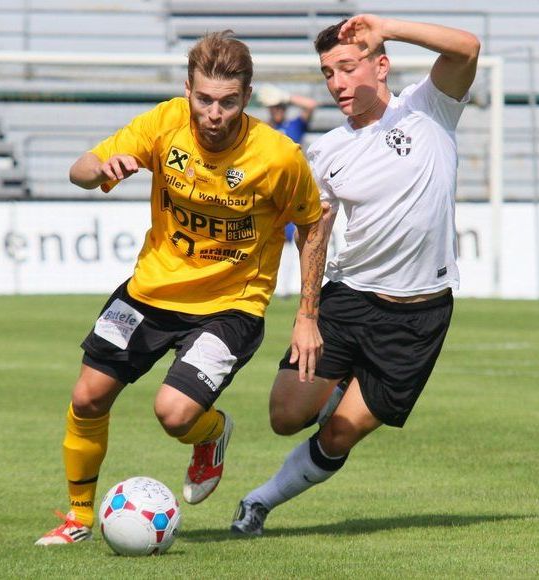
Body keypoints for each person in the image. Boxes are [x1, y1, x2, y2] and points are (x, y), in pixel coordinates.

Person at [35, 30, 330, 546]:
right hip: (149, 292)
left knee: (173, 414)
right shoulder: (164, 123)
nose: (214, 113)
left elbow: (313, 224)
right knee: (87, 398)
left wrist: (307, 315)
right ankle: (79, 518)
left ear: (247, 95)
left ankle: (212, 434)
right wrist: (102, 168)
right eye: (204, 99)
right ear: (188, 89)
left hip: (230, 308)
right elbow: (79, 170)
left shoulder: (278, 157)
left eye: (228, 102)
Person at [231, 14, 480, 536]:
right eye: (328, 73)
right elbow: (314, 235)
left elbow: (466, 47)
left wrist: (386, 24)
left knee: (339, 435)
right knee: (284, 417)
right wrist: (307, 316)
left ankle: (258, 503)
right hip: (348, 300)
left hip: (420, 314)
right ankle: (339, 379)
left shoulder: (429, 107)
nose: (337, 83)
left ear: (381, 64)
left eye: (348, 67)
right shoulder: (324, 152)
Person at [257, 87, 319, 298]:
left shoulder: (293, 125)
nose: (277, 111)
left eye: (280, 107)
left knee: (294, 239)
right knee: (272, 239)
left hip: (292, 190)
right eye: (274, 108)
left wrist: (287, 95)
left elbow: (311, 105)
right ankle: (270, 284)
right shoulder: (264, 129)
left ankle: (285, 288)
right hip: (272, 189)